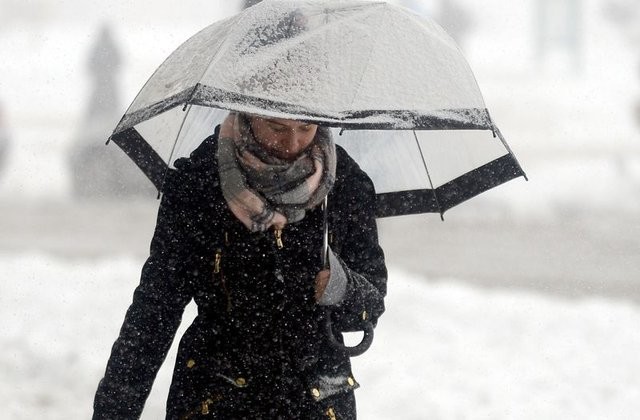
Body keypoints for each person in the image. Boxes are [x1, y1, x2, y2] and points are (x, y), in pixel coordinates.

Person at [93, 112, 387, 419]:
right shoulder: (200, 180)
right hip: (217, 397)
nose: (292, 142)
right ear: (248, 114)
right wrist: (115, 410)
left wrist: (343, 289)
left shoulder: (345, 183)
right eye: (277, 127)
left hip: (317, 401)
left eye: (306, 128)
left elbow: (371, 302)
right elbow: (155, 310)